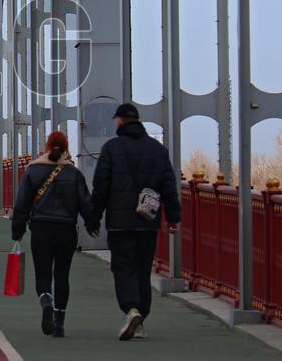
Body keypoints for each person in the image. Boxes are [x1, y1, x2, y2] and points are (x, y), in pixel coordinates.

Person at [86, 103, 181, 341]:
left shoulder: (111, 149)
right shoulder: (158, 150)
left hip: (119, 222)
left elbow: (101, 188)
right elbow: (169, 186)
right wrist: (173, 217)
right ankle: (141, 321)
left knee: (123, 267)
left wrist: (93, 218)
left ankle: (131, 309)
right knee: (142, 270)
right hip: (148, 219)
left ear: (119, 121)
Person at [11, 131, 94, 339]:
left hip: (41, 228)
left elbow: (21, 205)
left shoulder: (33, 170)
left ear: (47, 147)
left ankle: (46, 300)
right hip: (66, 230)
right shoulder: (73, 173)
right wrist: (93, 224)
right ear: (66, 148)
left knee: (43, 273)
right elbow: (86, 203)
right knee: (62, 275)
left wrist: (18, 231)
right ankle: (59, 324)